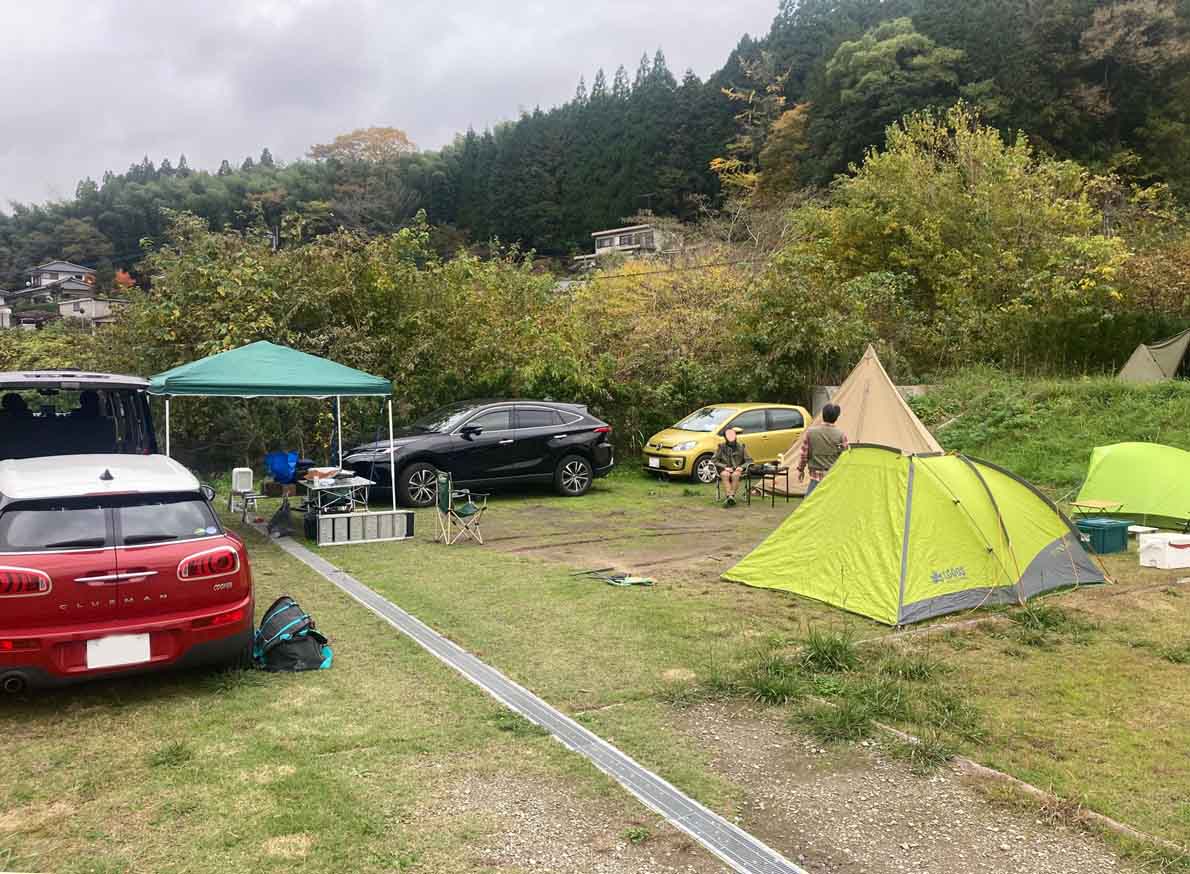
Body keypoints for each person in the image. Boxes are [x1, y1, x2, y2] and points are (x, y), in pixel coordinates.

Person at [796, 403, 849, 498]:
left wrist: (801, 469)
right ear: (836, 418)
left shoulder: (811, 433)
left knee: (809, 507)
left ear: (823, 415)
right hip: (833, 477)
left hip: (815, 478)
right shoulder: (841, 435)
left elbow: (804, 455)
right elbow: (845, 456)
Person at [713, 427, 752, 506]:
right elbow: (714, 460)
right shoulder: (721, 447)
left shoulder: (741, 447)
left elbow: (749, 461)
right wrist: (724, 467)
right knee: (725, 474)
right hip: (725, 469)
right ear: (725, 438)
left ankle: (731, 496)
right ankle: (730, 496)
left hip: (736, 469)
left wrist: (742, 467)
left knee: (736, 475)